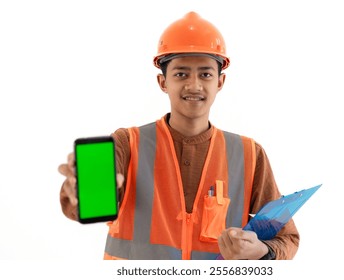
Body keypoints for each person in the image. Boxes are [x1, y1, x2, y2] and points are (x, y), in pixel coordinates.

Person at [58, 11, 299, 260]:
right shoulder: (127, 143)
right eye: (181, 74)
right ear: (163, 82)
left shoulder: (249, 154)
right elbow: (86, 203)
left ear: (220, 82)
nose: (194, 85)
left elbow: (287, 238)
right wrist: (78, 191)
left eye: (205, 74)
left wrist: (261, 251)